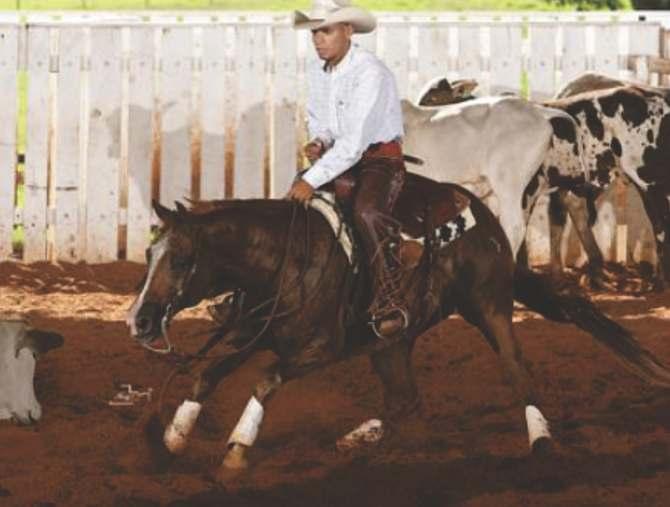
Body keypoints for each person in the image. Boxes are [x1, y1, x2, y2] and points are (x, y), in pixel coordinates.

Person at [288, 0, 409, 340]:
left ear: (348, 31)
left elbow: (355, 142)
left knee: (367, 213)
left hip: (379, 162)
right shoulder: (318, 72)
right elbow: (327, 124)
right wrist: (319, 140)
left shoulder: (371, 72)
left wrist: (312, 178)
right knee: (296, 210)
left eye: (325, 31)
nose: (317, 40)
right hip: (343, 156)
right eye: (314, 33)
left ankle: (390, 298)